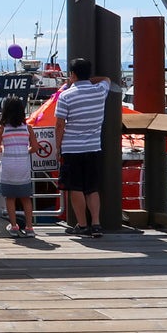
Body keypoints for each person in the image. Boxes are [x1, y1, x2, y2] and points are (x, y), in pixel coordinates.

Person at [54, 58, 111, 238]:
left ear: (72, 74)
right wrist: (89, 79)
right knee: (92, 188)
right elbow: (107, 80)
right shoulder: (100, 91)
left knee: (75, 188)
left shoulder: (66, 96)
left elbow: (59, 126)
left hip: (72, 148)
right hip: (93, 147)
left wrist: (57, 148)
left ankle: (83, 225)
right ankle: (96, 224)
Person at [0, 96, 41, 237]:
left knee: (10, 197)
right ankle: (29, 227)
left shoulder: (2, 128)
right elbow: (35, 147)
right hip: (23, 166)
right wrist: (24, 150)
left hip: (8, 166)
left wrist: (5, 147)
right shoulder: (28, 128)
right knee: (26, 198)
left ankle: (14, 226)